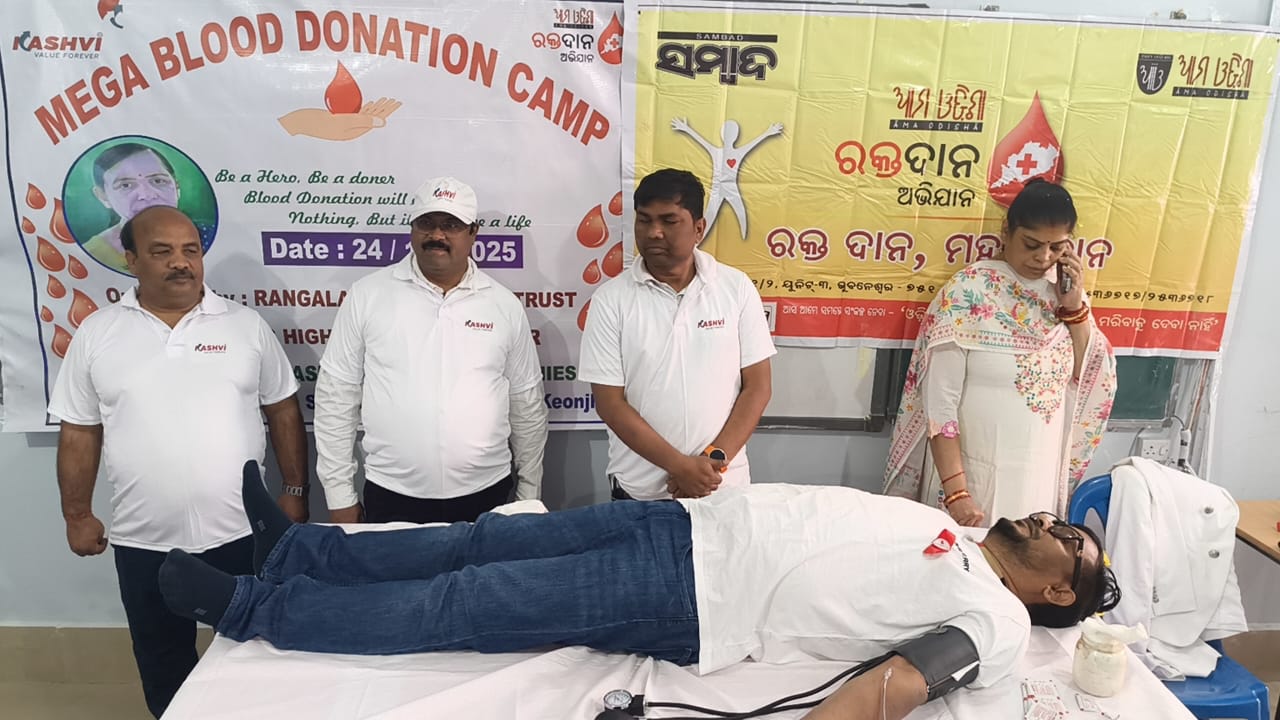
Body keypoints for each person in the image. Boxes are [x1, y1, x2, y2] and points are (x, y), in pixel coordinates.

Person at [159, 462, 1119, 720]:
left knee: (472, 602)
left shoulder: (995, 620)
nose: (1052, 522)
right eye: (1063, 520)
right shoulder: (961, 534)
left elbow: (897, 688)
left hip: (692, 593)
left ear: (1052, 597)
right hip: (681, 524)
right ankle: (302, 553)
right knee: (481, 540)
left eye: (1068, 545)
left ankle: (252, 609)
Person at [48, 206, 309, 718]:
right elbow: (79, 430)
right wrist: (76, 514)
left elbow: (282, 409)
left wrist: (294, 492)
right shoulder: (98, 333)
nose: (181, 263)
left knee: (259, 655)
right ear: (131, 259)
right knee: (163, 663)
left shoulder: (244, 326)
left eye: (190, 250)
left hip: (245, 533)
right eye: (162, 251)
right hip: (146, 542)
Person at [313, 176, 547, 524]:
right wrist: (338, 495)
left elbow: (526, 403)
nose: (437, 235)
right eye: (427, 223)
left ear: (473, 233)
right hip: (392, 494)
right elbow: (336, 396)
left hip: (487, 494)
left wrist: (529, 493)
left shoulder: (503, 305)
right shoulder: (367, 296)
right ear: (412, 229)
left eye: (451, 225)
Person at [884, 179, 1117, 527]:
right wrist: (956, 492)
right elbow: (940, 404)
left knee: (1029, 554)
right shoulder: (968, 292)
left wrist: (1074, 310)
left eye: (1057, 247)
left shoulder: (1068, 300)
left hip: (1037, 475)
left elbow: (1092, 379)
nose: (1044, 257)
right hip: (971, 479)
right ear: (1006, 232)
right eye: (1032, 244)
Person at [579, 169, 776, 501]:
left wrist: (712, 461)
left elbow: (757, 387)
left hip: (722, 487)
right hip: (640, 492)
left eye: (669, 221)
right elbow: (610, 404)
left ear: (698, 228)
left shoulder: (735, 288)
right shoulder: (610, 300)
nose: (654, 233)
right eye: (644, 220)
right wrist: (681, 467)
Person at [82, 143, 184, 273]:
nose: (146, 195)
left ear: (177, 187)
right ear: (103, 197)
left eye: (158, 181)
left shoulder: (203, 237)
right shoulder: (92, 255)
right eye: (126, 185)